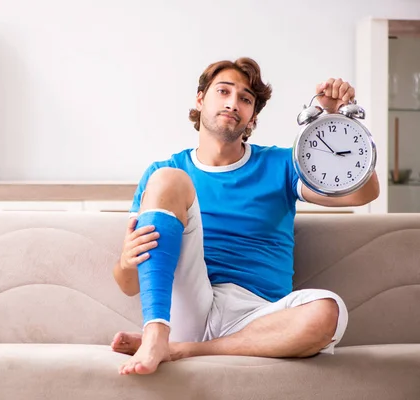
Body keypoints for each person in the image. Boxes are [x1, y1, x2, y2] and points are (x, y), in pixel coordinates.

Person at [110, 57, 380, 376]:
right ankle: (156, 337)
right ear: (200, 99)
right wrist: (127, 263)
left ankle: (184, 350)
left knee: (329, 311)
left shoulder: (282, 164)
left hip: (261, 317)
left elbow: (362, 193)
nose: (233, 103)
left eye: (245, 99)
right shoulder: (161, 172)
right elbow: (128, 285)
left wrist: (335, 120)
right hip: (190, 305)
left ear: (252, 118)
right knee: (169, 179)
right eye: (223, 91)